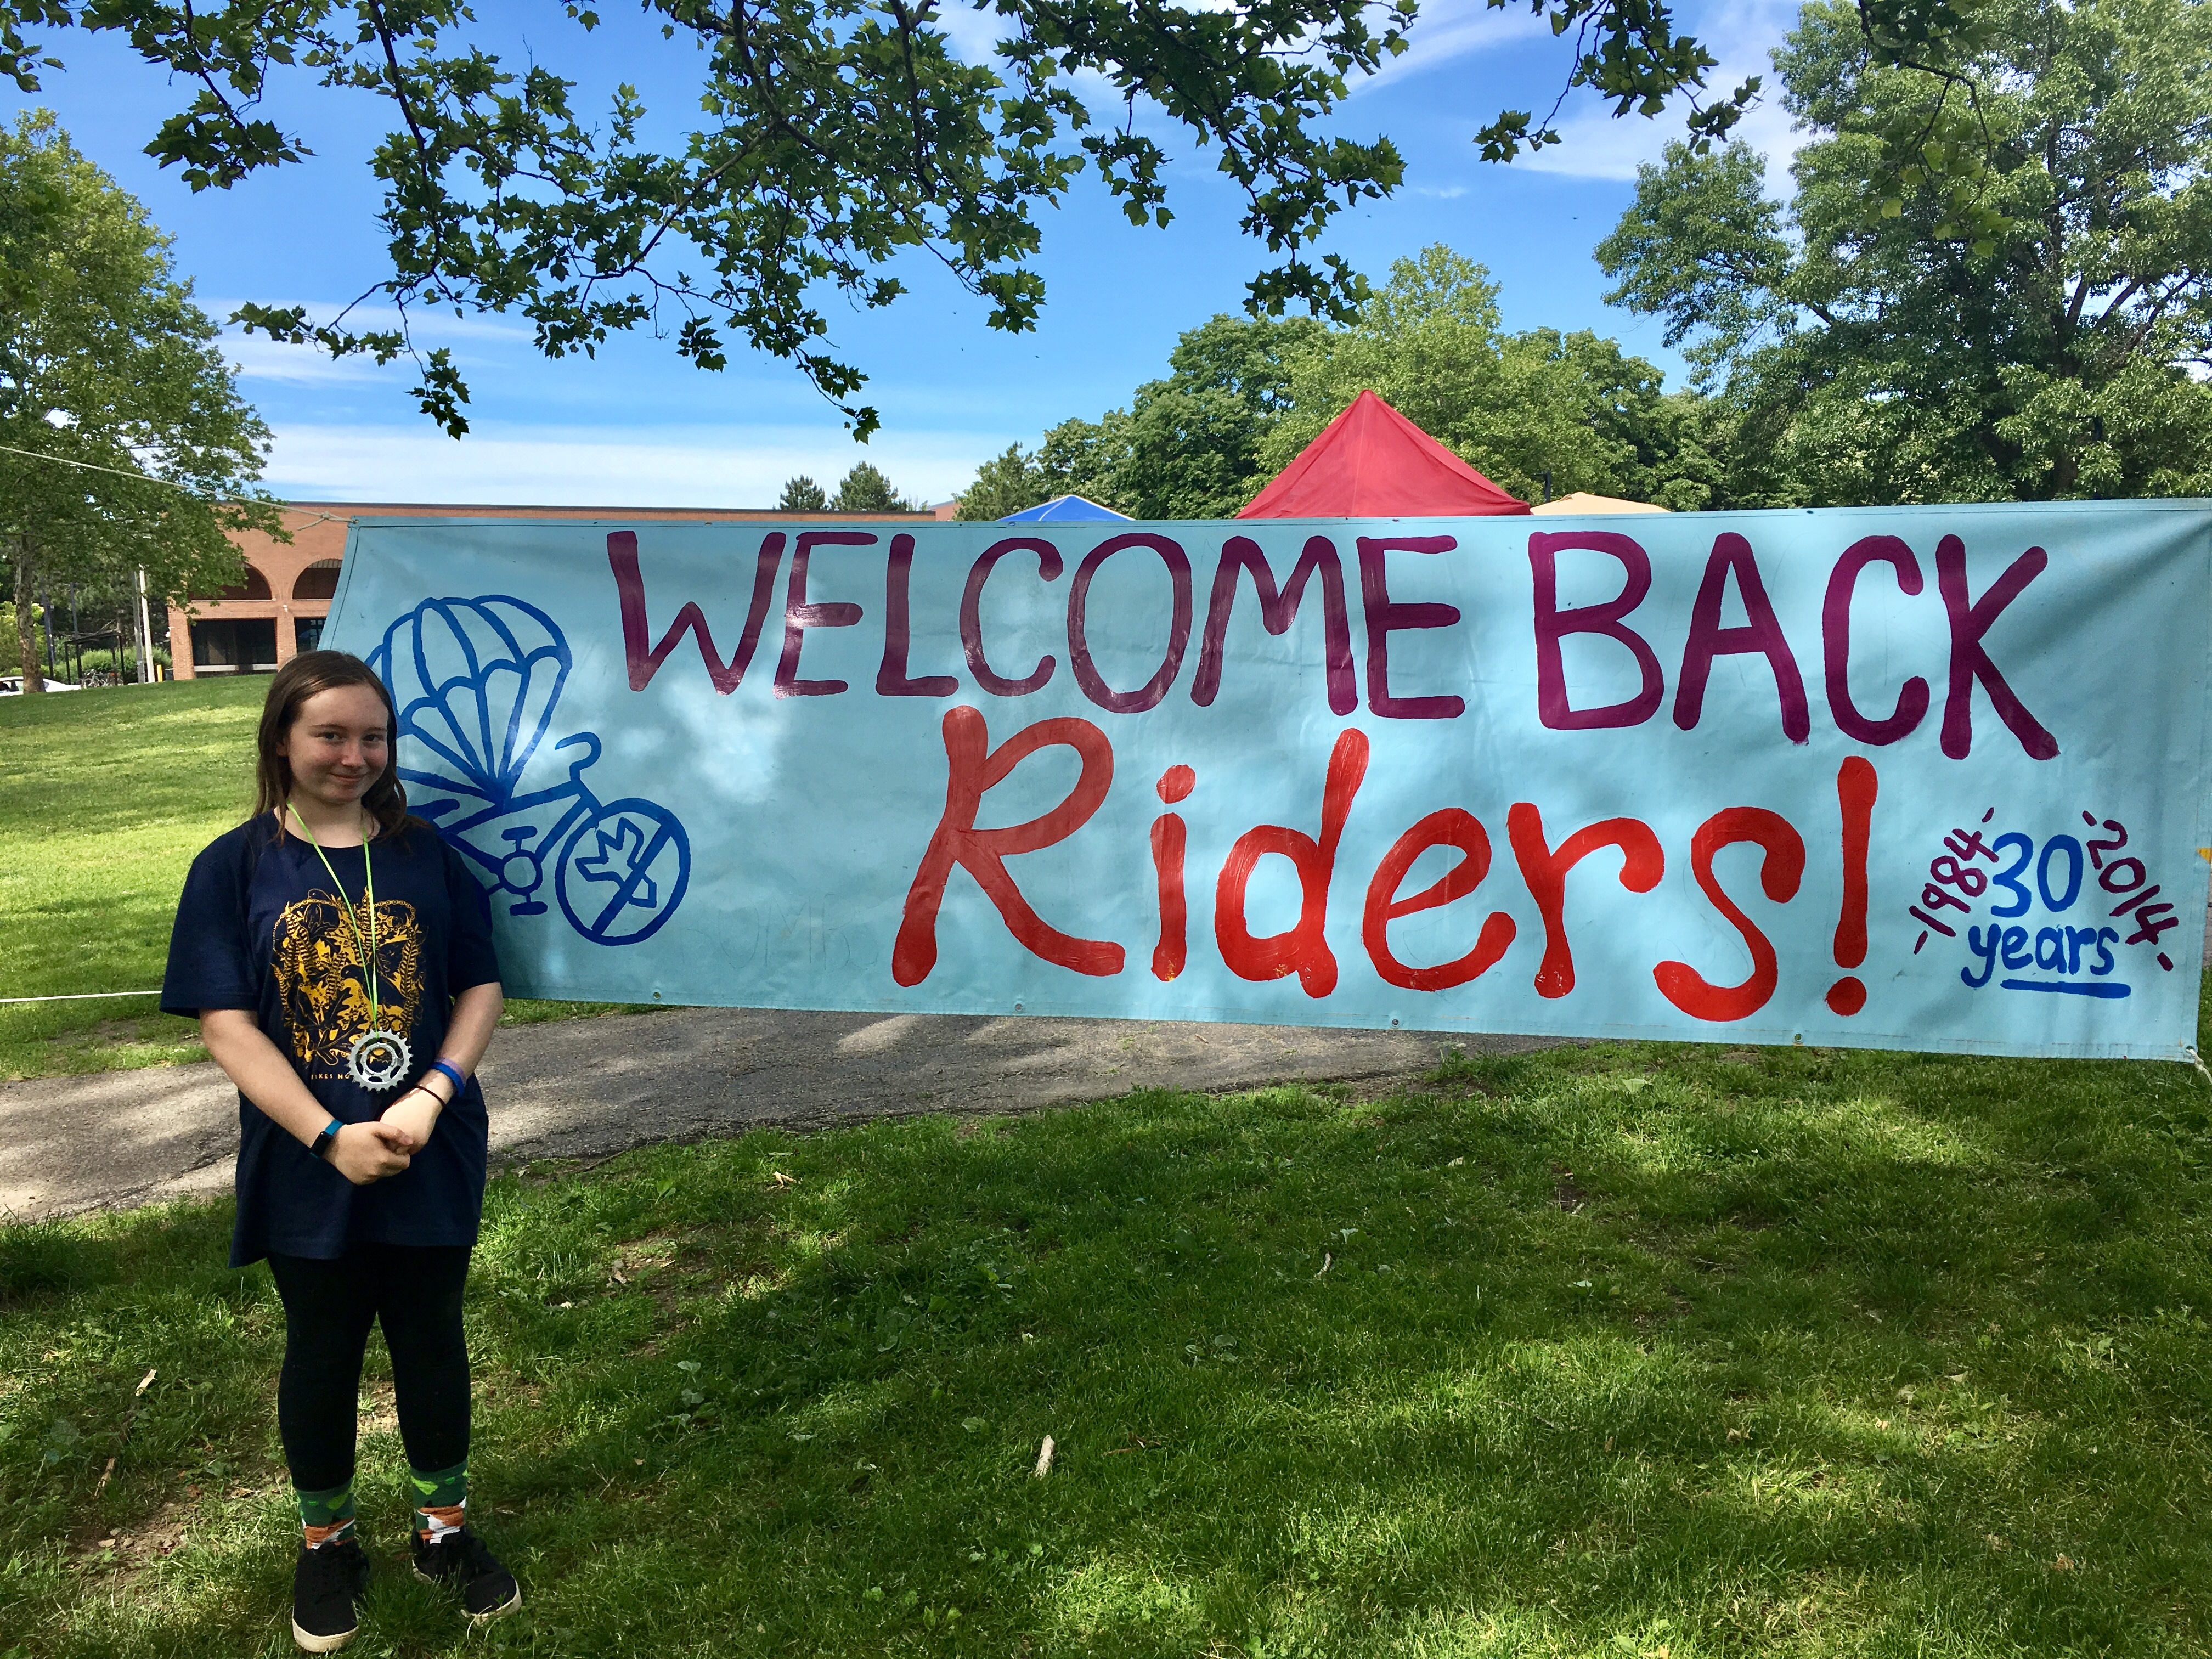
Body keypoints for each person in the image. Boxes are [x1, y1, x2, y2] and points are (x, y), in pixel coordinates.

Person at [161, 651, 520, 1652]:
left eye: (373, 736)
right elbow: (226, 1026)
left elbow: (480, 986)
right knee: (321, 1349)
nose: (354, 755)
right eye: (330, 734)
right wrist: (328, 1136)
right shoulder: (232, 866)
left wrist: (433, 1095)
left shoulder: (426, 854)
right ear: (282, 739)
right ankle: (327, 1545)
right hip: (303, 1159)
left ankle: (442, 1532)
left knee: (431, 1338)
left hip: (428, 1147)